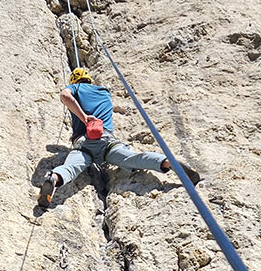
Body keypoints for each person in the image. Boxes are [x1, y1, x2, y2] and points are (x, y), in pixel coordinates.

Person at [38, 67, 201, 207]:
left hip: (84, 141)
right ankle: (168, 162)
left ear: (74, 81)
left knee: (71, 167)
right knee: (133, 158)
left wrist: (84, 117)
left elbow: (65, 96)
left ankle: (54, 178)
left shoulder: (76, 88)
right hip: (107, 140)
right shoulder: (104, 93)